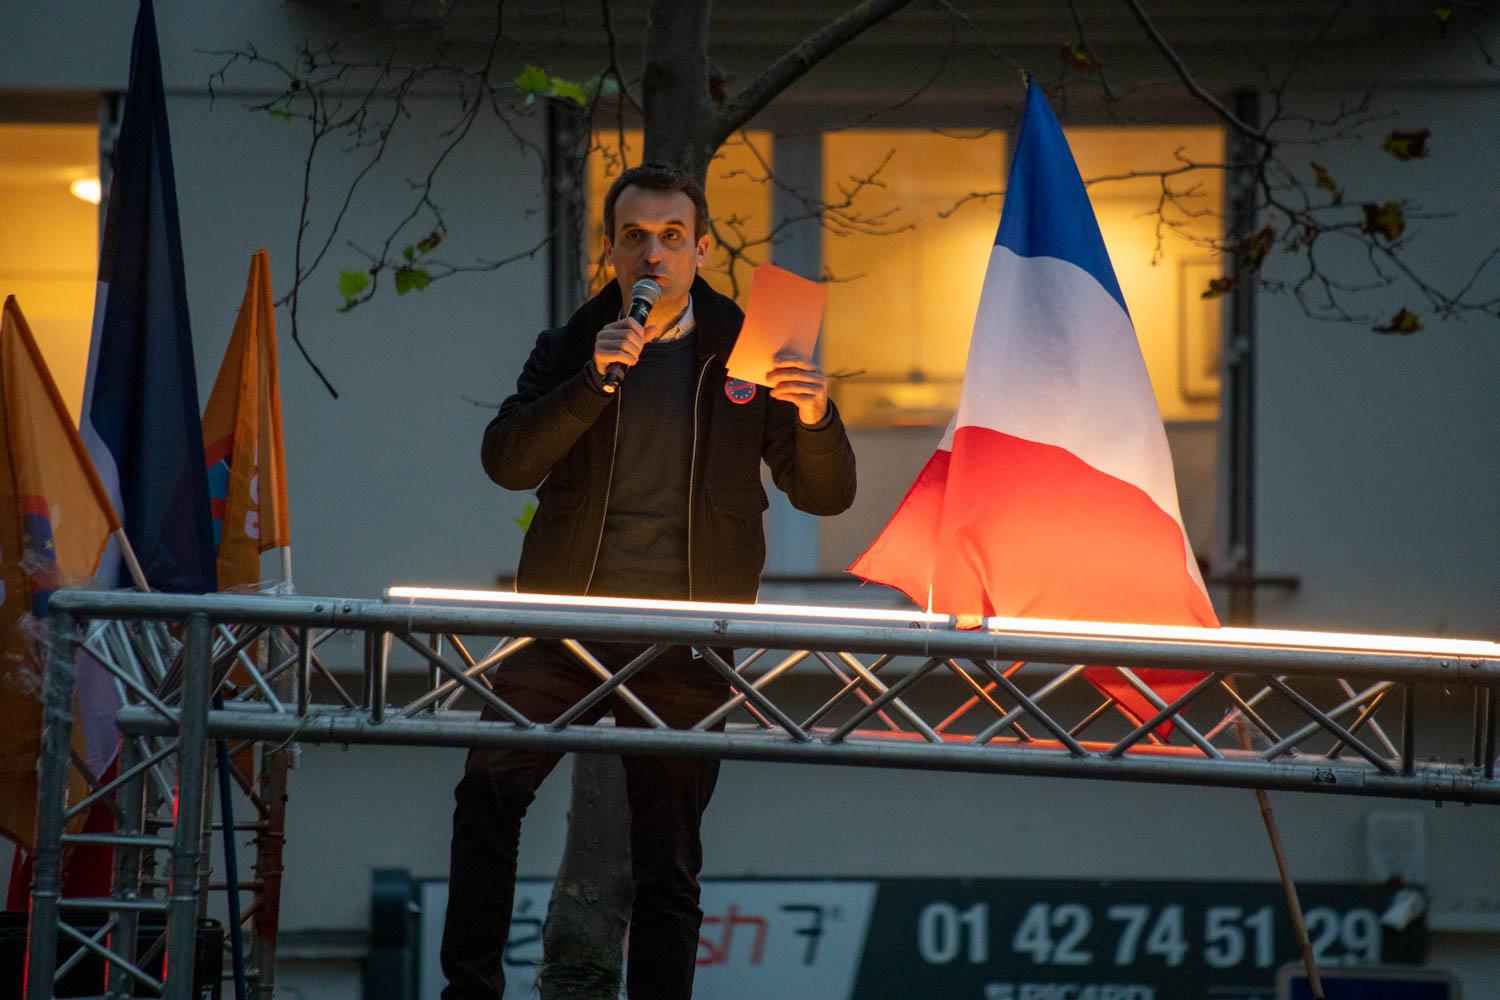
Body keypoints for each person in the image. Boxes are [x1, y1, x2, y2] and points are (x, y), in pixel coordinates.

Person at [441, 161, 857, 999]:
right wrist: (589, 383)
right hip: (563, 627)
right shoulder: (571, 344)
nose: (653, 255)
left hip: (688, 639)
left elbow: (825, 495)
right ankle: (470, 991)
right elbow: (507, 463)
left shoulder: (751, 346)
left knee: (668, 858)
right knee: (488, 789)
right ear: (611, 250)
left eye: (672, 237)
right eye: (635, 237)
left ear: (702, 249)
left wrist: (815, 415)